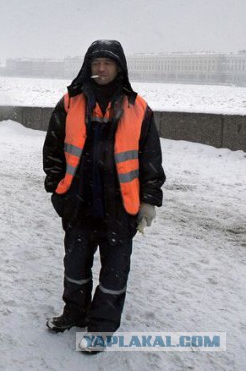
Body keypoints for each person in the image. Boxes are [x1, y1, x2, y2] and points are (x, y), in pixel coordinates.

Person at [42, 40, 165, 351]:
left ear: (119, 67)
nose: (101, 68)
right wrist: (56, 189)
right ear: (88, 65)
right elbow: (53, 148)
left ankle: (101, 328)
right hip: (78, 203)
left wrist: (149, 199)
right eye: (96, 62)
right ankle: (74, 312)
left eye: (107, 63)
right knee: (75, 266)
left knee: (114, 273)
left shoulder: (138, 108)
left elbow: (150, 156)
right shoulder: (71, 102)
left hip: (120, 207)